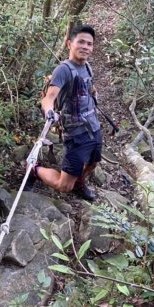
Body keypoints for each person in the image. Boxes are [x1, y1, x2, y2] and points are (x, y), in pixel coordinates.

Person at [26, 24, 102, 201]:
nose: (85, 47)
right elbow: (49, 97)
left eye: (89, 44)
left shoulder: (87, 67)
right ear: (69, 44)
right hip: (76, 133)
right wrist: (49, 112)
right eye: (81, 42)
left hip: (94, 127)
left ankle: (79, 182)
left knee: (93, 163)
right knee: (64, 185)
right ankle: (33, 170)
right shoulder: (63, 70)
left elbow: (88, 88)